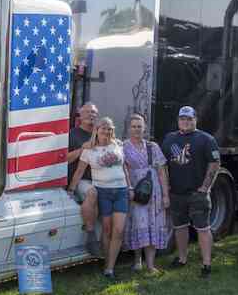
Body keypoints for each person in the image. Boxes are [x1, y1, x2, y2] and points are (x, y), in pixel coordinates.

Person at [68, 117, 133, 280]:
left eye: (109, 129)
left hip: (120, 191)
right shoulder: (89, 150)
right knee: (107, 229)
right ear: (97, 130)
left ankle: (110, 267)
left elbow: (124, 167)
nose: (106, 131)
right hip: (103, 192)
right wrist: (71, 190)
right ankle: (106, 263)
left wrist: (130, 186)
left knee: (118, 230)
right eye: (103, 128)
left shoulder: (118, 145)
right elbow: (79, 172)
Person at [161, 106, 220, 279]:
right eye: (182, 119)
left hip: (197, 194)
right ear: (178, 120)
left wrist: (205, 187)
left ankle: (207, 265)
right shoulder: (169, 138)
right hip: (177, 193)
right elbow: (162, 163)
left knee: (203, 228)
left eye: (189, 119)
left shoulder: (206, 139)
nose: (185, 122)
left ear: (195, 120)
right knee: (179, 227)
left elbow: (215, 163)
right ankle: (182, 259)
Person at [122, 114, 171, 274]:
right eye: (134, 126)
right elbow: (123, 169)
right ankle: (137, 260)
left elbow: (162, 172)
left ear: (144, 128)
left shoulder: (153, 147)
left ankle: (150, 265)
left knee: (153, 225)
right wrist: (129, 188)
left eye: (139, 126)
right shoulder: (123, 147)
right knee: (137, 224)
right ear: (129, 128)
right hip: (135, 191)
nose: (137, 129)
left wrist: (165, 195)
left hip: (154, 192)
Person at [67, 103, 101, 256]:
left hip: (102, 178)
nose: (90, 115)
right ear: (79, 115)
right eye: (87, 112)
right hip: (82, 180)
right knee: (92, 193)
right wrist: (83, 149)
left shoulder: (101, 134)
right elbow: (65, 159)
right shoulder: (71, 134)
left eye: (93, 112)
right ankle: (91, 234)